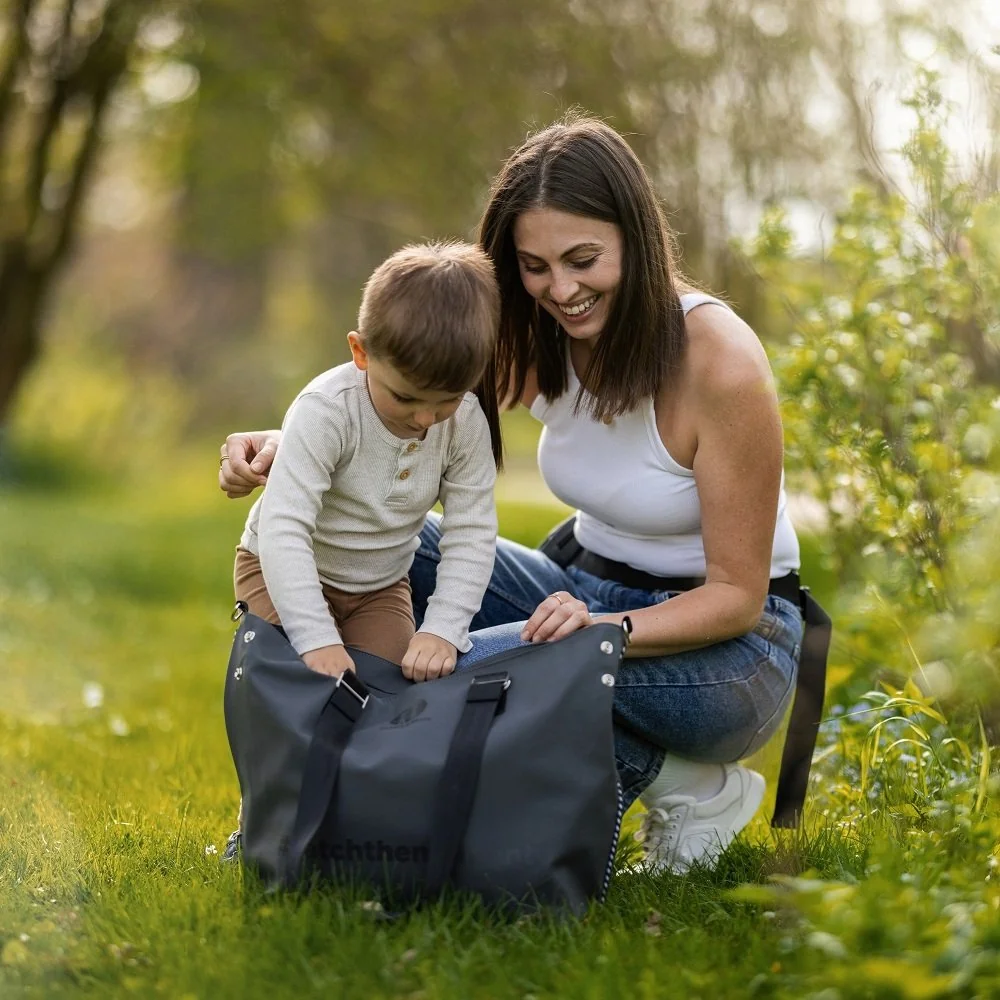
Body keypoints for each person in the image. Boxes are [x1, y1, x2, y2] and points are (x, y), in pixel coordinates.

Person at [220, 115, 806, 875]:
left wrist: (599, 625)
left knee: (445, 666)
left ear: (636, 236)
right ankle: (302, 794)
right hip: (582, 586)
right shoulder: (537, 333)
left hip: (731, 652)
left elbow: (738, 594)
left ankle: (686, 783)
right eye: (534, 266)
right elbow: (406, 399)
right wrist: (295, 445)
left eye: (583, 259)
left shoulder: (720, 362)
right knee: (382, 538)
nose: (561, 289)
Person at [233, 241, 501, 683]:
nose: (425, 419)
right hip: (282, 568)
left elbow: (471, 532)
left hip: (379, 588)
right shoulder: (327, 411)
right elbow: (286, 528)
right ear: (361, 353)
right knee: (294, 685)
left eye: (447, 399)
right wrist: (317, 637)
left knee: (388, 693)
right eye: (405, 396)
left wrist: (443, 630)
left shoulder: (467, 423)